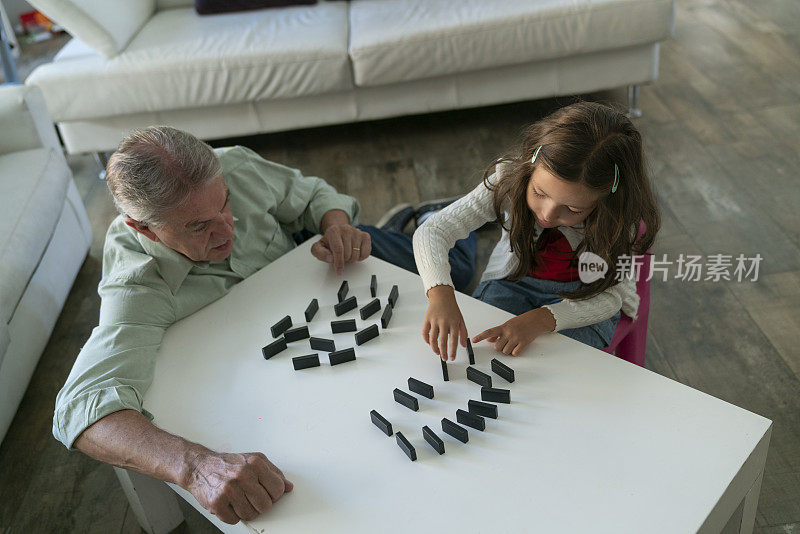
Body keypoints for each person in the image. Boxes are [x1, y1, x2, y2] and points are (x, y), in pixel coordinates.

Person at [54, 126, 476, 525]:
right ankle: (404, 225)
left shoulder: (232, 165)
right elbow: (81, 407)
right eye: (199, 226)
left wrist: (336, 225)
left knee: (455, 265)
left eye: (225, 204)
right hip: (281, 333)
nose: (227, 230)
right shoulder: (137, 283)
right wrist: (195, 467)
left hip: (317, 262)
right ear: (141, 228)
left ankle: (427, 217)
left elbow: (312, 195)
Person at [413, 101, 660, 361]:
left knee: (549, 366)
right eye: (539, 193)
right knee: (485, 355)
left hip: (584, 301)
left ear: (604, 201)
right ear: (531, 163)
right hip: (513, 285)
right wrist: (440, 294)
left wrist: (541, 319)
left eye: (573, 209)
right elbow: (434, 230)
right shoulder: (508, 180)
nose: (547, 214)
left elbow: (609, 299)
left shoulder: (616, 219)